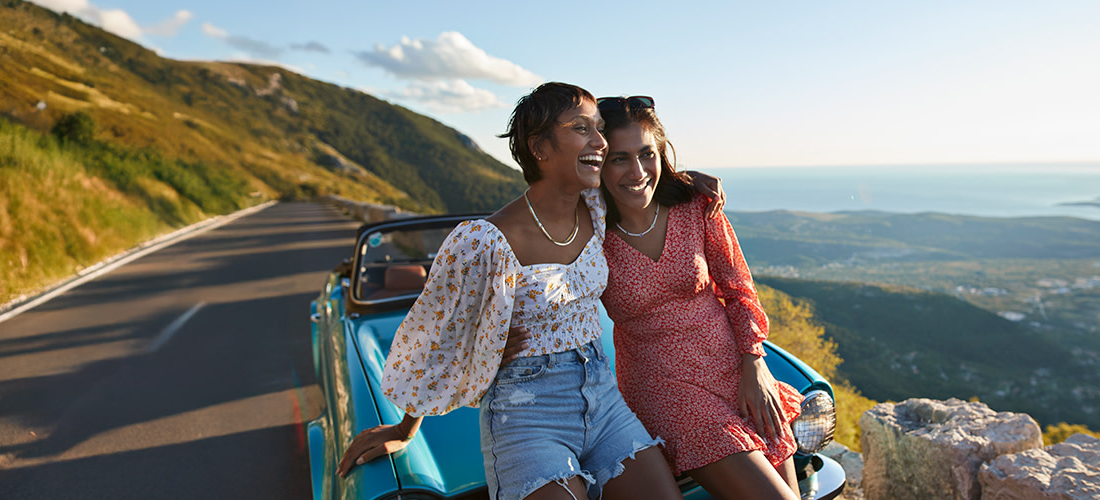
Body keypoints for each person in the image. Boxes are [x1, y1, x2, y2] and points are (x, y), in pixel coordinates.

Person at [334, 83, 681, 500]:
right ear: (539, 147)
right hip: (526, 410)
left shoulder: (596, 205)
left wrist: (690, 182)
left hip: (604, 396)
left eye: (599, 128)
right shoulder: (485, 241)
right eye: (581, 128)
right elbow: (435, 338)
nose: (600, 141)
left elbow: (640, 178)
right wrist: (404, 428)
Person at [509, 95, 804, 499]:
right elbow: (531, 264)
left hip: (736, 371)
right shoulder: (588, 229)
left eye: (647, 154)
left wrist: (756, 363)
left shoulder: (696, 205)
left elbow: (738, 289)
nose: (637, 171)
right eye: (619, 158)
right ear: (598, 162)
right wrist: (497, 335)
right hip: (663, 387)